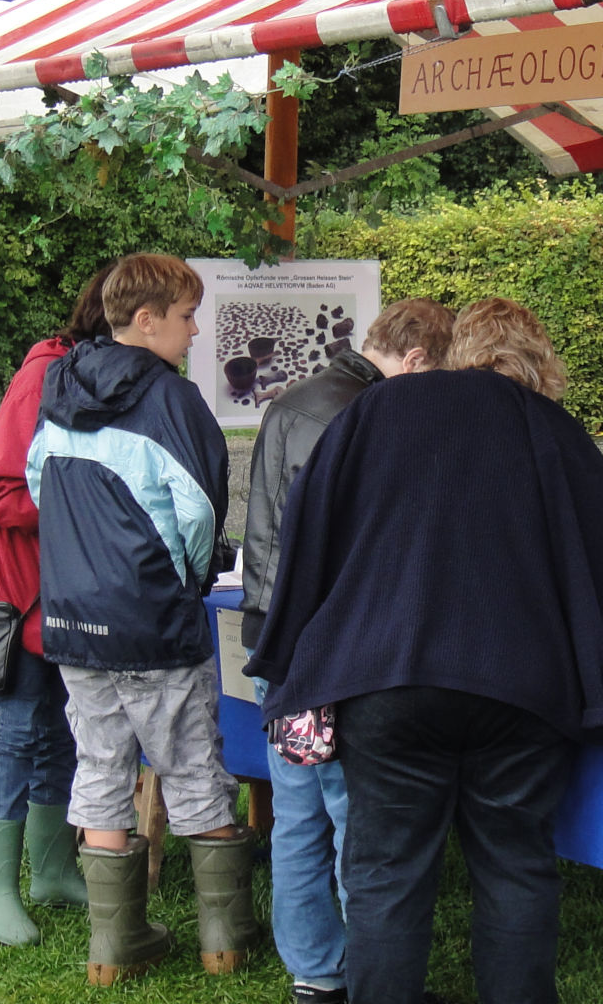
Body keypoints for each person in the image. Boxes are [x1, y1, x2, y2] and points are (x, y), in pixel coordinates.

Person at [246, 298, 603, 1004]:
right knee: (515, 867)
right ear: (540, 362)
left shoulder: (377, 412)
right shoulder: (554, 430)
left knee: (386, 875)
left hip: (387, 680)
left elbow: (304, 533)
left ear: (451, 350)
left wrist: (290, 662)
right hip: (523, 688)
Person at [24, 253, 255, 986]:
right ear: (147, 319)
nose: (195, 330)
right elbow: (197, 510)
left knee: (99, 765)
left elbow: (38, 481)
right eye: (187, 316)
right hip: (152, 617)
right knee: (190, 761)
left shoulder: (59, 384)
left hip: (73, 614)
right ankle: (224, 939)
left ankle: (112, 948)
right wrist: (185, 578)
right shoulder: (172, 399)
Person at [240, 297, 454, 1004]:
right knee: (352, 812)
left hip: (279, 632)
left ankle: (314, 972)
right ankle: (370, 974)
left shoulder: (297, 399)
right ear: (418, 360)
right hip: (337, 640)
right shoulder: (366, 415)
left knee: (298, 811)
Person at [0, 266, 113, 947]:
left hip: (65, 589)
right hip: (14, 591)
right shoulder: (47, 371)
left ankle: (51, 872)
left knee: (60, 729)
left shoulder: (103, 376)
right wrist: (85, 508)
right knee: (13, 731)